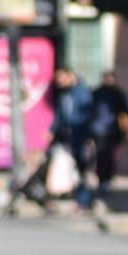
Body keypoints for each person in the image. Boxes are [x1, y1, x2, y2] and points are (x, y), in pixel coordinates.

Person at [49, 67, 94, 210]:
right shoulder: (64, 94)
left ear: (70, 76)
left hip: (80, 136)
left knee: (81, 169)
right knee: (69, 168)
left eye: (61, 78)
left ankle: (84, 201)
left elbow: (87, 115)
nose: (59, 82)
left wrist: (86, 135)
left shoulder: (81, 92)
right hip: (67, 137)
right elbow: (59, 115)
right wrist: (52, 130)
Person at [91, 71, 128, 195]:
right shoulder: (97, 94)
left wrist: (125, 129)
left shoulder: (118, 94)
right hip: (99, 131)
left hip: (113, 131)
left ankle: (108, 178)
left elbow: (124, 114)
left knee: (110, 156)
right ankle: (101, 179)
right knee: (101, 156)